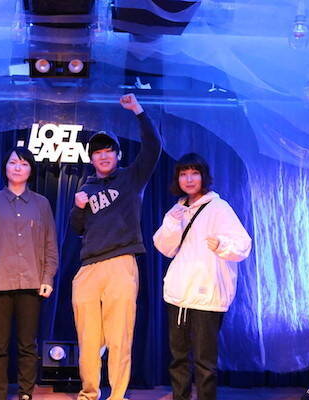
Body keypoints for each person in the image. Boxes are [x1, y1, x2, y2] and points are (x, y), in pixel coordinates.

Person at [69, 93, 161, 400]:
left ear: (118, 155)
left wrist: (138, 111)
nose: (104, 156)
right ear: (91, 159)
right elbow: (77, 229)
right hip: (88, 268)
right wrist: (78, 207)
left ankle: (117, 395)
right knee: (88, 339)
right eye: (98, 153)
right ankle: (88, 393)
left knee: (120, 337)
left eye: (109, 151)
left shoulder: (132, 178)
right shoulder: (86, 187)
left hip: (121, 263)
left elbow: (153, 147)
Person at [152, 153, 252, 400]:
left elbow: (243, 245)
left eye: (194, 173)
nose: (189, 179)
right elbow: (164, 248)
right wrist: (171, 225)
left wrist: (221, 244)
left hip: (207, 295)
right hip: (179, 295)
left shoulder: (219, 208)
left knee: (205, 363)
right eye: (183, 174)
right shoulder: (177, 209)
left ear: (203, 176)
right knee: (178, 359)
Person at [0, 146, 59, 400]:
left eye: (23, 163)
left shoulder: (41, 204)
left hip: (31, 282)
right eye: (12, 163)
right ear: (5, 167)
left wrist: (47, 277)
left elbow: (50, 245)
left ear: (31, 169)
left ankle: (25, 393)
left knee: (27, 344)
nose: (17, 168)